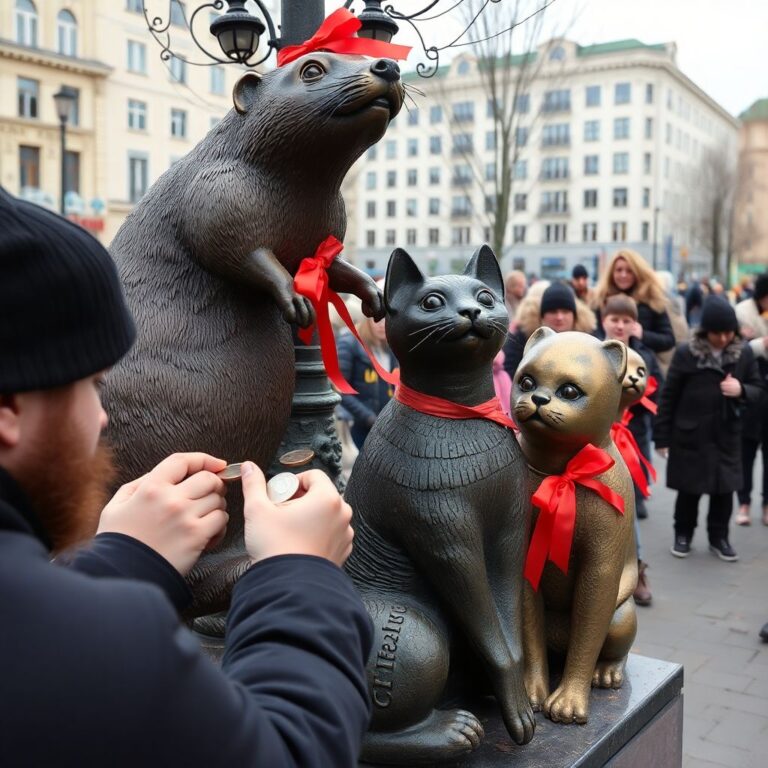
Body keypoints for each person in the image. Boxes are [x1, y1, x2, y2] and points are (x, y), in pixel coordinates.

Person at [0, 188, 372, 766]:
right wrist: (299, 576)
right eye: (92, 385)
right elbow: (291, 752)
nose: (101, 418)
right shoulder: (103, 647)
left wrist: (120, 558)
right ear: (8, 409)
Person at [654, 296, 764, 562]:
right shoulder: (686, 353)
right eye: (718, 333)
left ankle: (720, 538)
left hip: (726, 434)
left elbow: (758, 388)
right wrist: (662, 437)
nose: (724, 338)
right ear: (706, 331)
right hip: (691, 433)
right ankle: (683, 535)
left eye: (729, 332)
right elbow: (669, 397)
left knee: (724, 491)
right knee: (688, 491)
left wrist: (741, 389)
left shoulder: (743, 353)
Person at [598, 295, 663, 606]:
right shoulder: (591, 351)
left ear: (634, 324)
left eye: (626, 320)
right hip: (593, 442)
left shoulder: (644, 355)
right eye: (615, 319)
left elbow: (657, 392)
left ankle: (636, 569)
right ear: (603, 320)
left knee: (628, 508)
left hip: (629, 442)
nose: (620, 325)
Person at [592, 249, 675, 361]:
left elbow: (669, 340)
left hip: (642, 365)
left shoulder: (652, 301)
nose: (623, 275)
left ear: (637, 272)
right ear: (612, 273)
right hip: (607, 363)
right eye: (619, 270)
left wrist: (643, 335)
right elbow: (592, 333)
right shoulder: (601, 300)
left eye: (629, 271)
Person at [502, 281, 596, 380]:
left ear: (574, 316)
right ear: (542, 317)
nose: (559, 317)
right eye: (553, 311)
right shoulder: (523, 340)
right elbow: (510, 373)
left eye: (565, 311)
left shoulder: (589, 342)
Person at [734, 272, 768, 526]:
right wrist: (758, 344)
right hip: (750, 389)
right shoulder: (742, 312)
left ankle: (766, 504)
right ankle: (743, 503)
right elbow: (734, 348)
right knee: (746, 452)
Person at [337, 309, 397, 449]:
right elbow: (341, 390)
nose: (381, 324)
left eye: (386, 319)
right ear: (367, 319)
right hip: (361, 427)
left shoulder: (392, 346)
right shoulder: (349, 343)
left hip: (389, 427)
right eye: (377, 318)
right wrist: (369, 418)